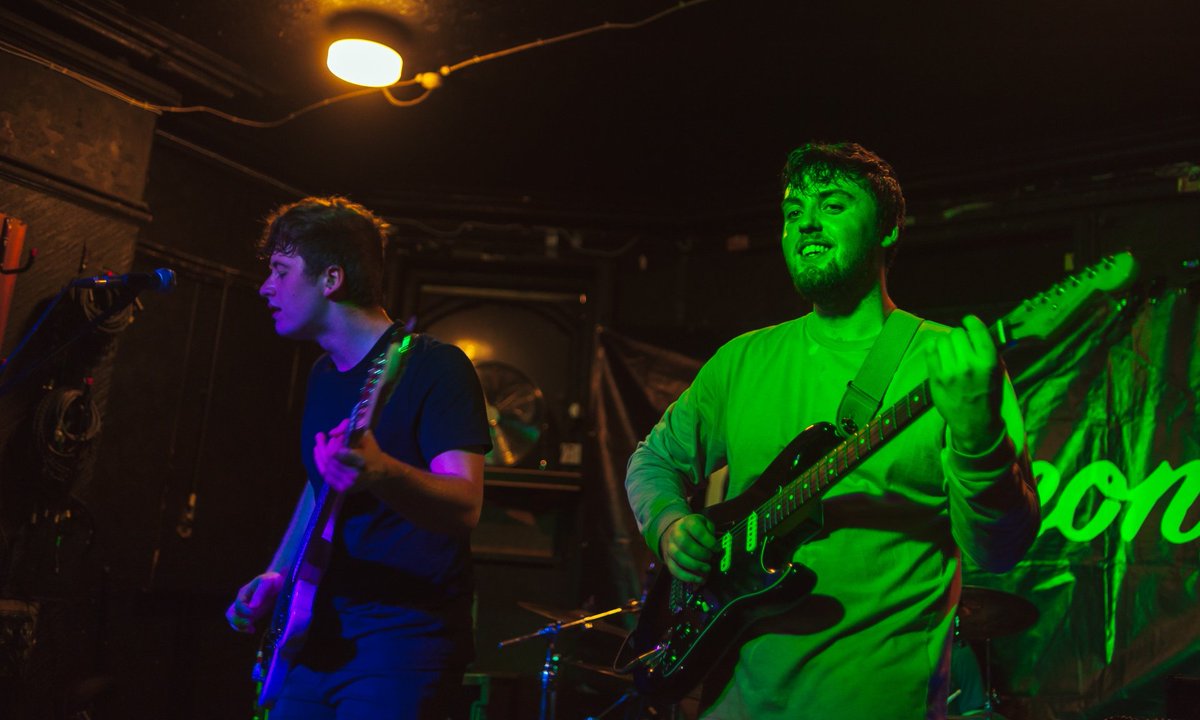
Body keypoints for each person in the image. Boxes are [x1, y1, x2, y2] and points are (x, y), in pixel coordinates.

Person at [624, 142, 1040, 719]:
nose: (807, 224)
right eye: (794, 212)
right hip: (732, 703)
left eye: (834, 205)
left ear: (889, 230)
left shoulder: (953, 364)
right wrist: (669, 524)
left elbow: (1000, 548)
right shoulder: (742, 361)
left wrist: (977, 434)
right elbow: (651, 462)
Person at [224, 196, 491, 719]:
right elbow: (319, 486)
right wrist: (277, 576)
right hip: (317, 631)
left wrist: (384, 473)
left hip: (403, 638)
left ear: (331, 278)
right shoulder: (324, 373)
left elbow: (466, 506)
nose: (265, 287)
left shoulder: (434, 367)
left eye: (280, 270)